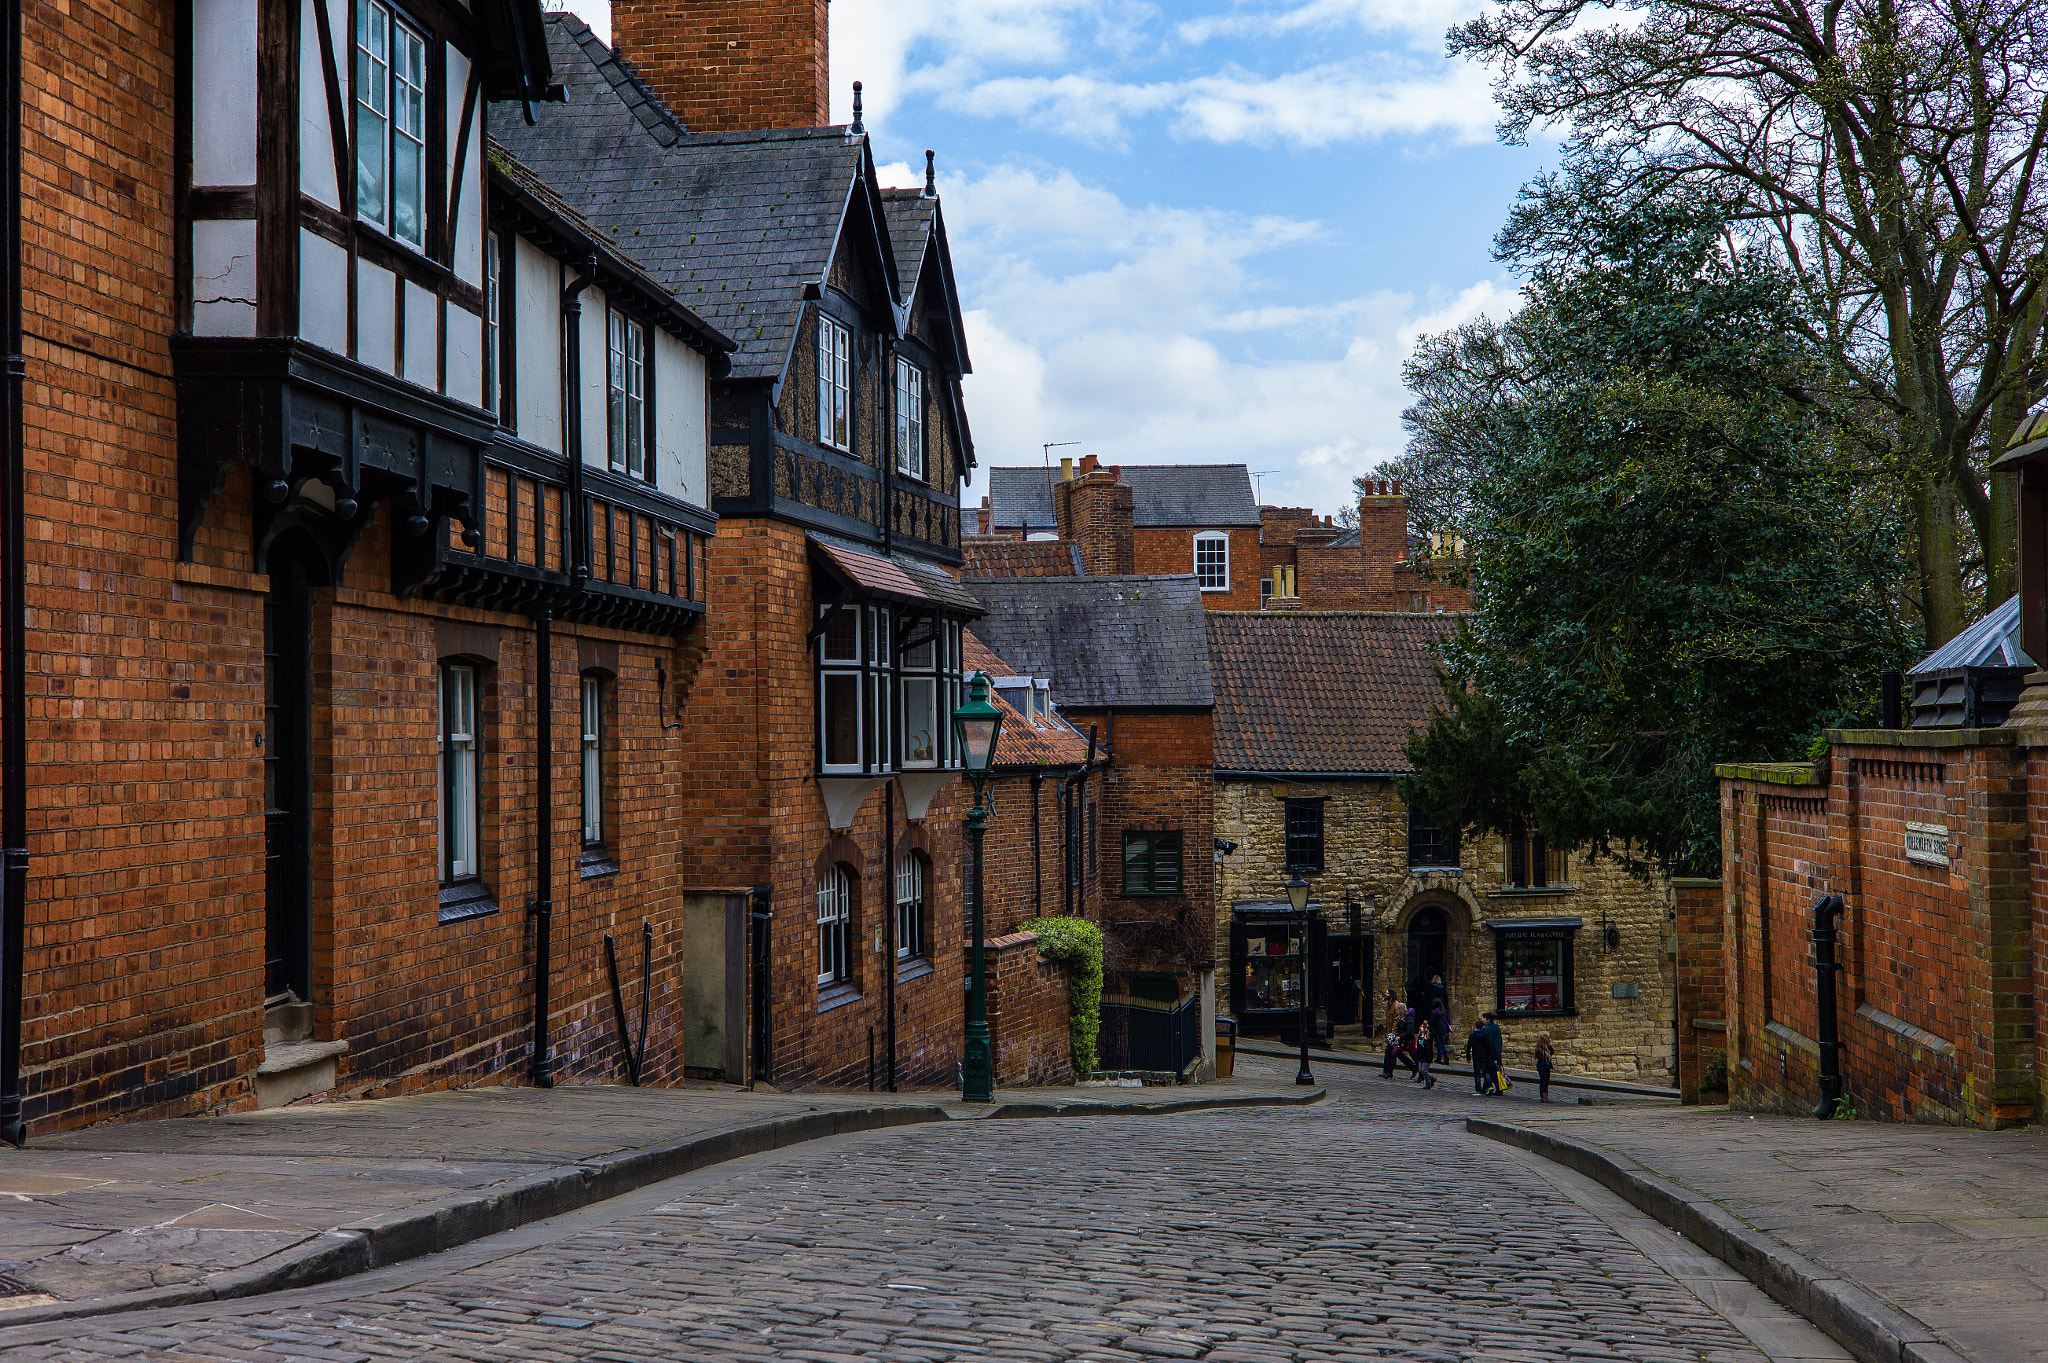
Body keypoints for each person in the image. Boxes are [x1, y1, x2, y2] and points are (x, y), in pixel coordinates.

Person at [1382, 1007, 1419, 1079]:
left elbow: (1410, 1031)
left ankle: (1420, 1072)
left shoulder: (1409, 1019)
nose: (1396, 1011)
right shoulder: (1400, 1019)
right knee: (1394, 1053)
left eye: (1398, 1010)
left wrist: (1400, 1036)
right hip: (1402, 1041)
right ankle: (1390, 1073)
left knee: (1415, 1057)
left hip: (1409, 1041)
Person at [1482, 1012, 1509, 1094]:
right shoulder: (1496, 1026)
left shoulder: (1488, 1028)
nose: (1482, 1020)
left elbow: (1488, 1042)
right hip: (1497, 1051)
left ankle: (1497, 1089)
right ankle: (1485, 1087)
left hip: (1491, 1053)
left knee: (1490, 1070)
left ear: (1487, 1019)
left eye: (1483, 1018)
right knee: (1493, 1071)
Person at [1466, 1019, 1494, 1094]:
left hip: (1476, 1057)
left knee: (1477, 1074)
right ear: (1483, 1026)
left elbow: (1468, 1047)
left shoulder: (1472, 1036)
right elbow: (1489, 1047)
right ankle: (1489, 1086)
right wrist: (1493, 1057)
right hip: (1485, 1057)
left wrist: (1468, 1057)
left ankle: (1477, 1089)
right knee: (1486, 1073)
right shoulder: (1485, 1036)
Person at [1414, 1021, 1436, 1089]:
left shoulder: (1428, 1037)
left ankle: (1428, 1084)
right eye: (1421, 1027)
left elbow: (1434, 1033)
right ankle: (1432, 1077)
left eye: (1424, 1027)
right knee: (1420, 1070)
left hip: (1427, 1056)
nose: (1422, 1028)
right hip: (1421, 1055)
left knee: (1424, 1070)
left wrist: (1428, 1027)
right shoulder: (1419, 1037)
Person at [1535, 1035, 1555, 1103]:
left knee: (1547, 1081)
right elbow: (1543, 1058)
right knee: (1543, 1081)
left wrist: (1549, 1045)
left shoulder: (1547, 1048)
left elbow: (1552, 1051)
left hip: (1546, 1067)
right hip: (1542, 1067)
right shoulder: (1540, 1049)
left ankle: (1545, 1095)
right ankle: (1543, 1096)